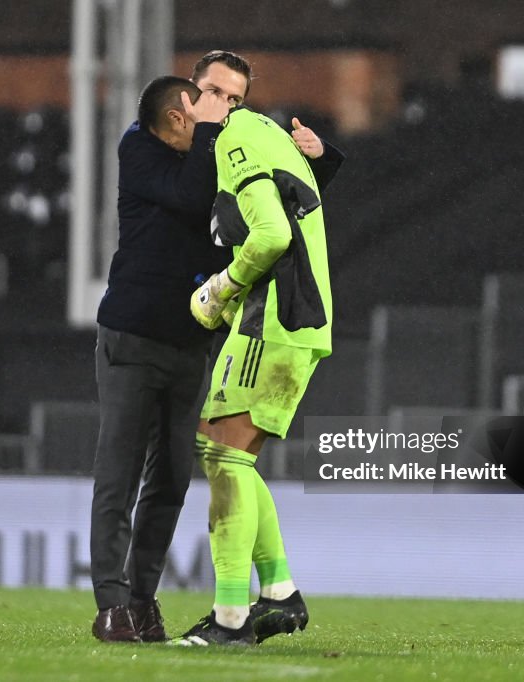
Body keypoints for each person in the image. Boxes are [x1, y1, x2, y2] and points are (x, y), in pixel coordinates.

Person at [90, 50, 343, 644]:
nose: (225, 109)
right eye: (213, 95)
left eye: (236, 100)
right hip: (132, 331)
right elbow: (191, 196)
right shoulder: (141, 146)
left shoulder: (220, 150)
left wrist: (319, 160)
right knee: (119, 474)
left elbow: (268, 204)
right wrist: (216, 133)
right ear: (185, 101)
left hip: (191, 340)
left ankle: (145, 603)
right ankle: (111, 603)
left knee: (174, 477)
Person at [173, 100, 337, 646]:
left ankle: (229, 619)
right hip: (294, 322)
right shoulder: (260, 137)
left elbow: (271, 235)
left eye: (224, 93)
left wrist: (223, 286)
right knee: (232, 455)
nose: (212, 103)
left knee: (222, 453)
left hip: (274, 319)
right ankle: (278, 595)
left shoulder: (235, 137)